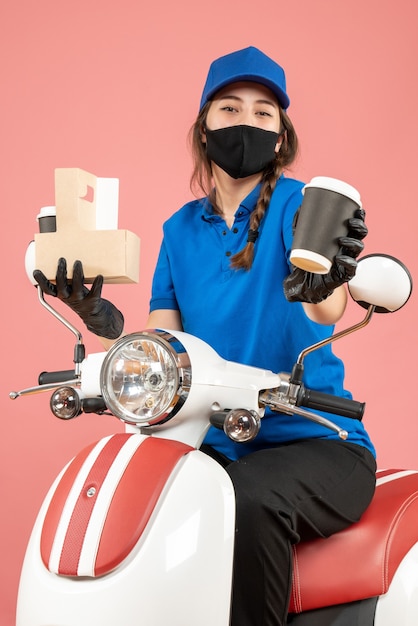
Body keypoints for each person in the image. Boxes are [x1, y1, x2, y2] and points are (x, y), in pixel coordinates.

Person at [34, 46, 376, 626]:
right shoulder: (179, 229)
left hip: (317, 439)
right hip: (214, 445)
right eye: (229, 109)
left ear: (282, 134)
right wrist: (100, 319)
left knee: (249, 500)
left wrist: (323, 280)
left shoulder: (303, 206)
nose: (246, 122)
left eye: (264, 113)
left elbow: (327, 312)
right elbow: (164, 349)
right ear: (203, 127)